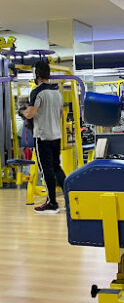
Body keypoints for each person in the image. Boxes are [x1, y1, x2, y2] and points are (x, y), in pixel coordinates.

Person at [22, 61, 65, 214]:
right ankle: (71, 198)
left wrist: (23, 111)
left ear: (37, 75)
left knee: (46, 169)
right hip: (56, 136)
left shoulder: (37, 92)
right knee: (56, 167)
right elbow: (59, 114)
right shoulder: (57, 93)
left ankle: (52, 203)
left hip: (43, 137)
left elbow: (31, 114)